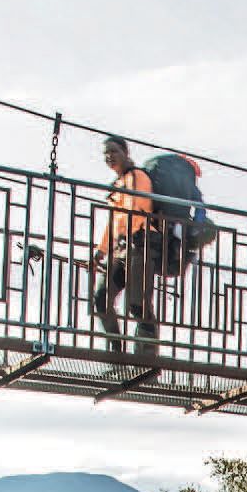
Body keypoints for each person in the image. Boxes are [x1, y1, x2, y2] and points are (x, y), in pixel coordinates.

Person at [90, 136, 159, 362]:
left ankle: (145, 360)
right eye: (106, 153)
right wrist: (101, 252)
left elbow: (136, 211)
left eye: (113, 151)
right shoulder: (118, 186)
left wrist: (126, 240)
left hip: (140, 246)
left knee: (137, 304)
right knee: (101, 298)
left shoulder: (137, 177)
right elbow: (114, 222)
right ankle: (117, 353)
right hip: (122, 249)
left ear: (125, 153)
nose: (109, 156)